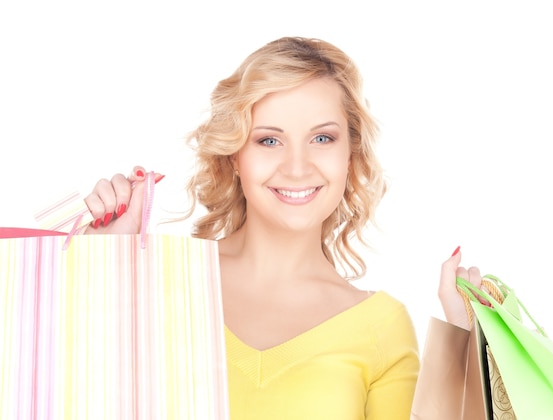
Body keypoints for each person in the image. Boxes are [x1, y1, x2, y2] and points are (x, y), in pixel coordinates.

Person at [81, 36, 483, 419]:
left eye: (322, 138)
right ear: (235, 155)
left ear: (350, 156)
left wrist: (464, 351)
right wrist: (97, 268)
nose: (296, 167)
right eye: (269, 141)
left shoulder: (381, 326)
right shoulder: (155, 279)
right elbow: (71, 391)